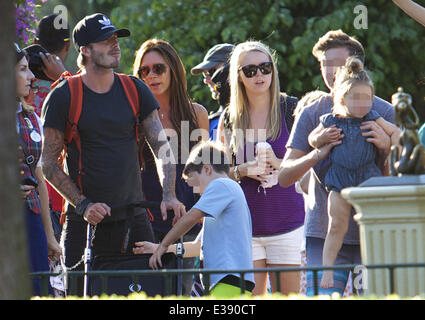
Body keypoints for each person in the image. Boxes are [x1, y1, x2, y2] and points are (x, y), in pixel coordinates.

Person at [41, 13, 185, 295]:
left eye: (116, 39)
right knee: (80, 295)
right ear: (85, 50)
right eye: (106, 41)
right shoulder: (63, 96)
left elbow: (161, 147)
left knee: (151, 293)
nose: (115, 45)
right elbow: (48, 164)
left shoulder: (135, 88)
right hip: (84, 223)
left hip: (134, 217)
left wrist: (169, 192)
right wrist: (83, 205)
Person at [279, 30, 395, 296]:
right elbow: (284, 176)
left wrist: (387, 149)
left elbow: (401, 176)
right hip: (324, 232)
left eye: (338, 65)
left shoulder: (383, 112)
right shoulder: (313, 113)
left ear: (357, 67)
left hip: (373, 232)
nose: (331, 72)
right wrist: (315, 154)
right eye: (324, 65)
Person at [216, 40, 305, 296]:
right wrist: (243, 170)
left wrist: (278, 165)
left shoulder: (291, 108)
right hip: (245, 228)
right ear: (239, 76)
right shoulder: (229, 118)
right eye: (250, 70)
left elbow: (310, 165)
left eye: (265, 67)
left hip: (288, 224)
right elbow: (220, 176)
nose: (260, 75)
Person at [307, 58, 400, 288]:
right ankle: (328, 271)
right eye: (355, 98)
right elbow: (312, 139)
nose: (361, 103)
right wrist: (322, 138)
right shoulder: (330, 119)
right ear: (341, 99)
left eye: (366, 98)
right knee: (336, 226)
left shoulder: (373, 117)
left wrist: (387, 139)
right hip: (339, 180)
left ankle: (376, 269)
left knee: (372, 226)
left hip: (367, 178)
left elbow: (398, 134)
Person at [132, 38, 209, 294]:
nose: (151, 75)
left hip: (186, 219)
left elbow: (205, 169)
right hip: (146, 218)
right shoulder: (133, 116)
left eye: (158, 68)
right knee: (147, 292)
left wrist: (203, 214)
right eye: (144, 71)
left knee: (182, 294)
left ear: (173, 70)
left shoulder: (196, 113)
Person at [147, 141, 255, 298]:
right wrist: (156, 248)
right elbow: (197, 247)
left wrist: (164, 245)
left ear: (206, 168)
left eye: (197, 185)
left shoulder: (222, 185)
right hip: (229, 280)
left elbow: (191, 217)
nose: (198, 193)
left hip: (228, 279)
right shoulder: (221, 202)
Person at [15, 43, 62, 296]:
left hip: (31, 220)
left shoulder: (33, 118)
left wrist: (50, 237)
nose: (32, 76)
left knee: (38, 290)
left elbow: (40, 180)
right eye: (23, 69)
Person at [191, 43, 234, 139]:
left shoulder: (263, 114)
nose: (206, 80)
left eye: (211, 72)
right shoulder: (209, 123)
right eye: (204, 74)